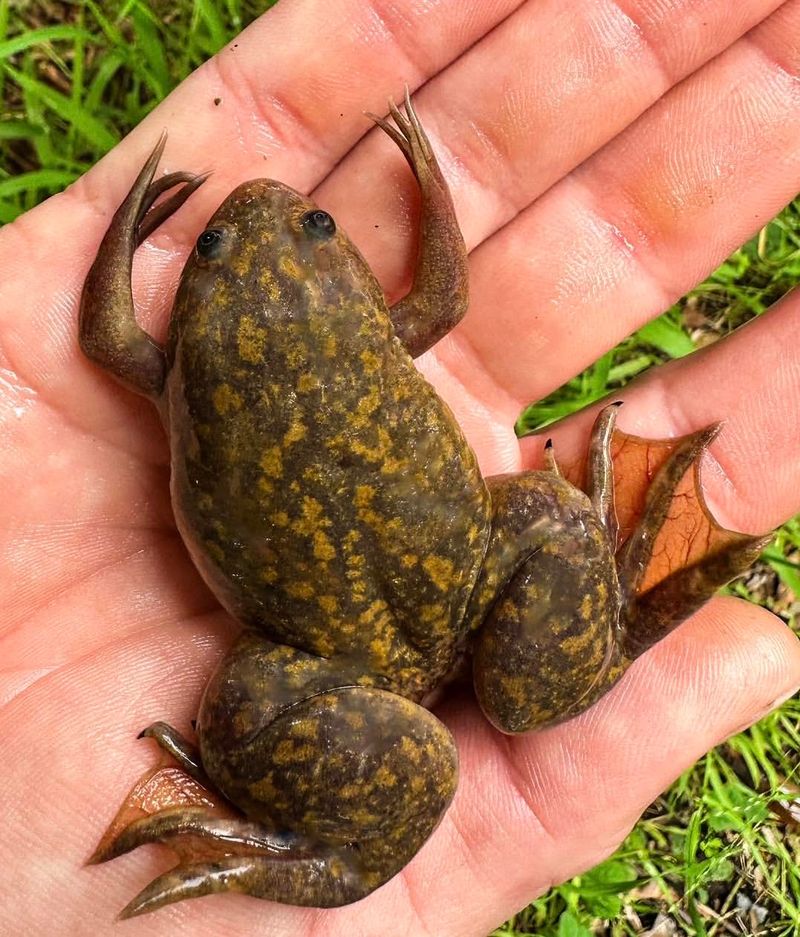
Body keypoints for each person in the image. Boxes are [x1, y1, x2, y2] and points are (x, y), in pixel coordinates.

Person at [1, 0, 799, 933]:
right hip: (430, 597)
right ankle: (342, 845)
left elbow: (106, 338)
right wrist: (429, 178)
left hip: (334, 648)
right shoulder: (348, 334)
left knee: (245, 704)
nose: (264, 217)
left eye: (317, 230)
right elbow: (445, 297)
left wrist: (127, 234)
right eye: (212, 245)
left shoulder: (175, 369)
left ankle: (326, 836)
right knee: (550, 513)